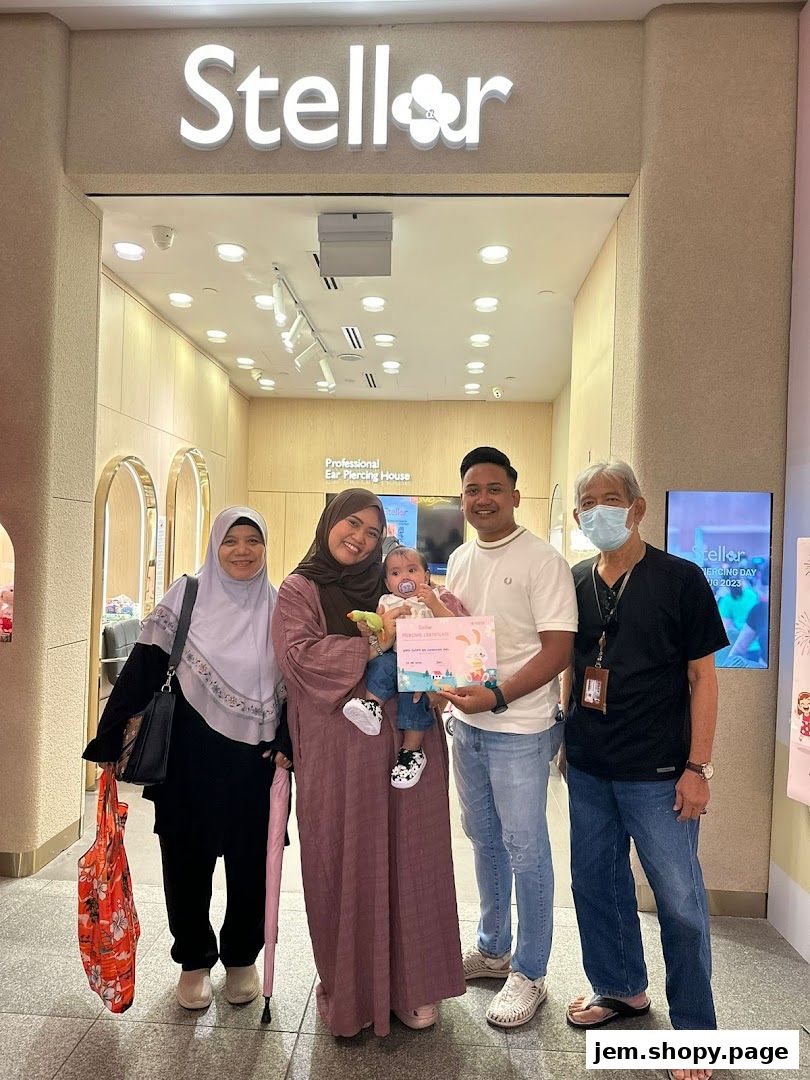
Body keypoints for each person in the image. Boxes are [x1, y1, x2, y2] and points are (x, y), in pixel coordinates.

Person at [271, 489, 465, 1037]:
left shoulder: (398, 589)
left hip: (407, 743)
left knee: (414, 852)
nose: (359, 538)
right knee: (343, 860)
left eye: (372, 533)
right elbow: (298, 659)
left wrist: (442, 645)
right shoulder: (299, 589)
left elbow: (448, 648)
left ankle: (416, 985)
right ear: (330, 521)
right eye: (351, 524)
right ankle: (350, 988)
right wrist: (379, 643)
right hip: (337, 751)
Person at [83, 507, 291, 1012]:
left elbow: (297, 688)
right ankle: (194, 960)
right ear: (214, 546)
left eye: (252, 541)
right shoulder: (187, 596)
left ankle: (242, 957)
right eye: (231, 541)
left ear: (265, 548)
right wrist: (109, 741)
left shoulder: (281, 606)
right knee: (186, 863)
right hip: (187, 759)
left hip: (255, 762)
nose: (242, 551)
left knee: (252, 865)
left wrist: (289, 741)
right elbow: (143, 667)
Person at [563, 460, 728, 1080]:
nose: (598, 510)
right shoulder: (578, 580)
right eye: (588, 502)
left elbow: (704, 679)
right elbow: (574, 669)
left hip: (659, 772)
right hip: (587, 766)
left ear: (636, 508)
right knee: (595, 886)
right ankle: (621, 988)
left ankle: (696, 1032)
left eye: (611, 499)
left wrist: (698, 766)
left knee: (680, 901)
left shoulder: (680, 579)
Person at [441, 447, 577, 1029]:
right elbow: (455, 640)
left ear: (515, 495)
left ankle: (531, 971)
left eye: (494, 488)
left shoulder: (543, 560)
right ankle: (494, 948)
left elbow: (557, 650)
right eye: (472, 489)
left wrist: (497, 695)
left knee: (526, 848)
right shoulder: (460, 558)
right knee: (483, 839)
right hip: (467, 725)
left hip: (520, 728)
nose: (482, 499)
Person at [342, 544, 468, 788]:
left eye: (412, 570)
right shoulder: (386, 601)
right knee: (381, 666)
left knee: (414, 698)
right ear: (388, 583)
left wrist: (434, 603)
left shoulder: (437, 597)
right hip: (394, 654)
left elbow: (456, 627)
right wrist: (369, 626)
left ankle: (412, 751)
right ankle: (372, 706)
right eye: (396, 573)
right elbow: (377, 628)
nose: (405, 577)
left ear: (426, 576)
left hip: (426, 662)